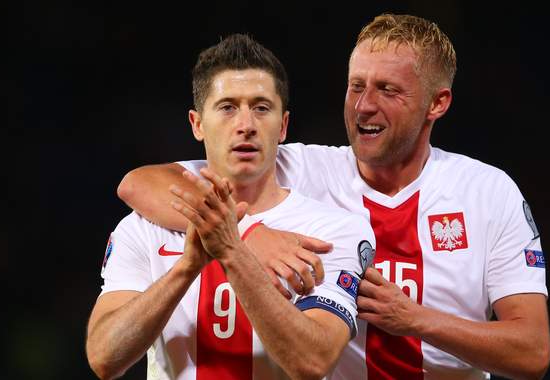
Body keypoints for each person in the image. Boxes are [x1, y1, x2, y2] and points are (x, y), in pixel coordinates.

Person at [118, 14, 550, 380]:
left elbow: (532, 351)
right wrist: (247, 232)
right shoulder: (303, 168)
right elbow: (141, 183)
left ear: (437, 103)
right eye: (356, 86)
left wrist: (416, 320)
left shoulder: (488, 193)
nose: (364, 106)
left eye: (388, 90)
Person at [86, 34, 376, 380]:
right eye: (227, 107)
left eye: (261, 107)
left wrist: (232, 250)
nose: (246, 125)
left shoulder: (333, 231)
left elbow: (313, 361)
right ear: (197, 124)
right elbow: (104, 357)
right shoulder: (146, 226)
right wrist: (187, 267)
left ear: (282, 126)